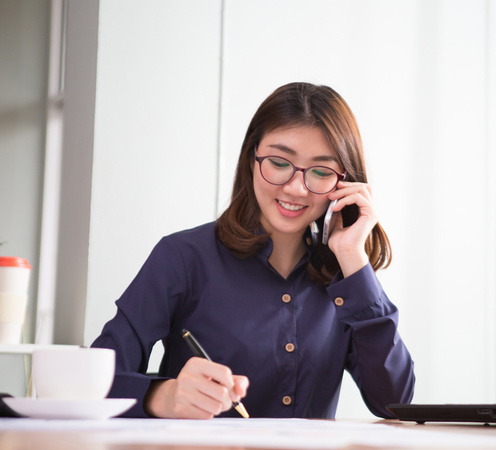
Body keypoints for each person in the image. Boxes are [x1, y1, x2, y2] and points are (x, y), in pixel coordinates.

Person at [92, 82, 415, 419]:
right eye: (279, 162)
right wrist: (163, 395)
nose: (295, 188)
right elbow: (95, 384)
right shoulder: (183, 257)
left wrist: (353, 257)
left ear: (344, 184)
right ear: (251, 159)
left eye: (321, 172)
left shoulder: (346, 282)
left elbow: (394, 403)